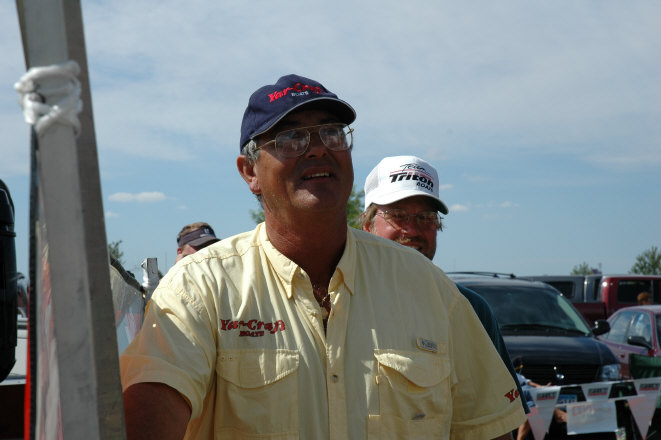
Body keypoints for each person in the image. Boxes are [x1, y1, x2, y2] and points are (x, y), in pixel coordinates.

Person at [120, 74, 525, 439]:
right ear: (249, 172)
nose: (317, 149)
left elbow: (484, 429)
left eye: (332, 133)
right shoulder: (200, 288)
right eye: (291, 138)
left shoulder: (428, 288)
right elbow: (150, 416)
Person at [360, 155, 528, 415]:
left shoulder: (469, 309)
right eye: (398, 215)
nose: (412, 230)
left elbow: (497, 421)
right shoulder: (336, 300)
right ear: (367, 225)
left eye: (426, 217)